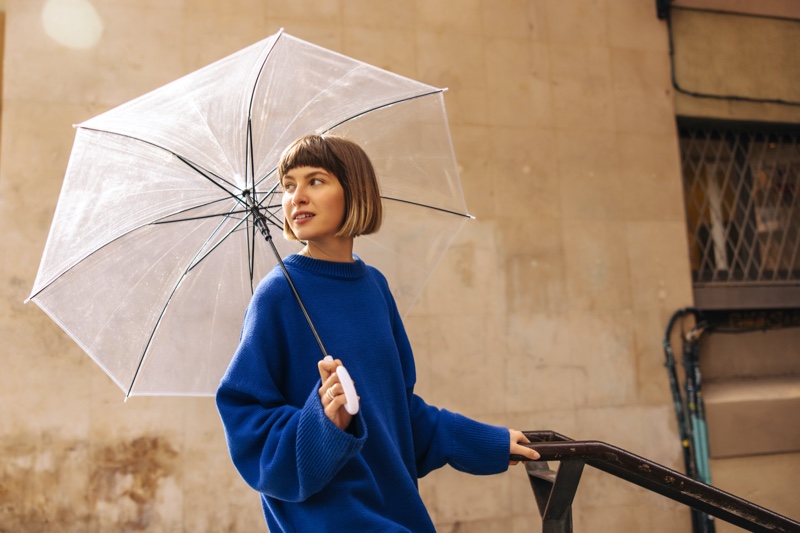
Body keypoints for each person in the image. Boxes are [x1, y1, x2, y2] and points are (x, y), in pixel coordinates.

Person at [216, 134, 539, 532]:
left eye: (314, 181)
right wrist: (323, 419)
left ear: (354, 191)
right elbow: (247, 422)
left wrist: (482, 441)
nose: (296, 196)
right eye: (287, 186)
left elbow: (398, 413)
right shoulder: (278, 295)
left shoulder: (374, 287)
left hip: (399, 514)